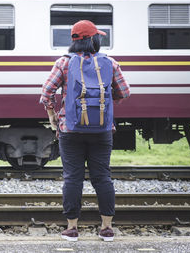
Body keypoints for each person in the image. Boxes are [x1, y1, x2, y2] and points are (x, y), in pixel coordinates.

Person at [40, 20, 130, 242]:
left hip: (69, 128)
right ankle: (106, 229)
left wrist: (52, 114)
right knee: (102, 177)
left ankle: (72, 229)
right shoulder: (110, 62)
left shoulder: (63, 63)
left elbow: (46, 93)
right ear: (94, 40)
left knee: (72, 178)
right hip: (102, 130)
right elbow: (124, 92)